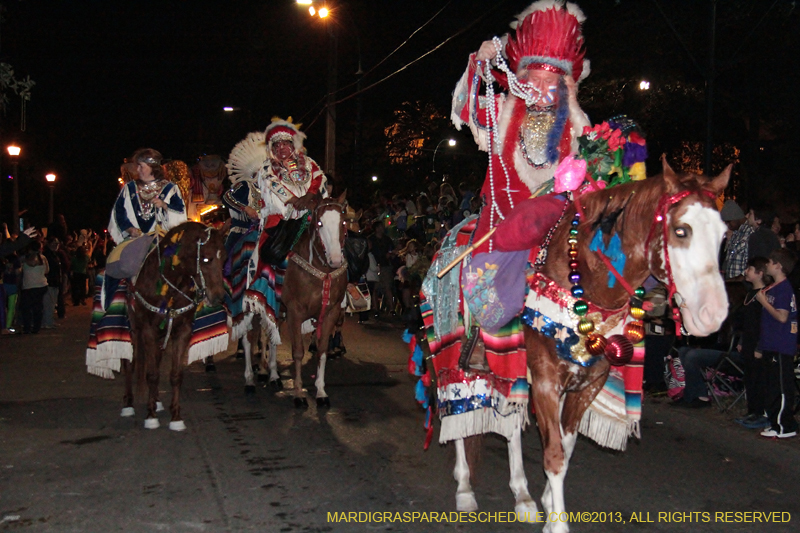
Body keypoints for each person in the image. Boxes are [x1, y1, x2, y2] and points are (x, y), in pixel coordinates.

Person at [450, 0, 591, 253]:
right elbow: (463, 109)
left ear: (565, 84)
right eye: (534, 79)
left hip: (556, 241)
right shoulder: (501, 110)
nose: (540, 87)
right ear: (521, 80)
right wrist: (477, 63)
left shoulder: (578, 128)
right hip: (499, 235)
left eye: (550, 80)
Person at [756, 249, 799, 439]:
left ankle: (785, 425)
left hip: (781, 345)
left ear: (779, 266)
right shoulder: (773, 287)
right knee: (772, 385)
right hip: (770, 343)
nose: (767, 265)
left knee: (781, 386)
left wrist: (764, 303)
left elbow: (782, 317)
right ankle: (775, 422)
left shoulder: (784, 289)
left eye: (771, 262)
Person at [257, 118, 328, 229]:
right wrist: (298, 202)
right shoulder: (267, 167)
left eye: (285, 144)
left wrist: (308, 197)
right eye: (277, 145)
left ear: (292, 145)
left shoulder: (308, 162)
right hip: (281, 216)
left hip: (310, 210)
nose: (281, 148)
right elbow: (273, 185)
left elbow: (319, 178)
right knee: (269, 242)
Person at [108, 149, 187, 245]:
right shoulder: (129, 188)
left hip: (161, 243)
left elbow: (181, 212)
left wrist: (164, 205)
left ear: (152, 167)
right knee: (117, 259)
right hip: (134, 242)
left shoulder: (170, 189)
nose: (137, 170)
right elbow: (118, 212)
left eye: (141, 166)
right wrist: (128, 229)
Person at [735, 257, 772, 429]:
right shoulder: (750, 294)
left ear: (760, 273)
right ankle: (752, 410)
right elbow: (746, 323)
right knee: (750, 377)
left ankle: (761, 413)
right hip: (748, 342)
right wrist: (742, 341)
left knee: (759, 378)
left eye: (750, 269)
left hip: (759, 344)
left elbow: (766, 324)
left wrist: (760, 346)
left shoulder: (766, 295)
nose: (746, 272)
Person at [223, 131, 266, 252]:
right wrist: (246, 208)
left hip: (262, 233)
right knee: (228, 260)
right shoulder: (245, 185)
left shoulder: (270, 191)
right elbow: (227, 197)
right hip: (241, 232)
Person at [19, 242, 49, 334]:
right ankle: (36, 327)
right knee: (38, 307)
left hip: (28, 286)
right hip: (41, 284)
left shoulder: (24, 259)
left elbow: (19, 270)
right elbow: (47, 270)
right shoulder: (43, 258)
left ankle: (27, 327)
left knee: (26, 308)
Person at [368, 223, 395, 316]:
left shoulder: (387, 239)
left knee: (387, 287)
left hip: (385, 265)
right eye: (380, 226)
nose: (382, 228)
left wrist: (390, 254)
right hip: (374, 265)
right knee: (374, 287)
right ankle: (375, 308)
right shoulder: (371, 239)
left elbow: (392, 250)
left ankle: (391, 308)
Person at [720, 199, 751, 280]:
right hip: (732, 283)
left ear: (736, 218)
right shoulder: (735, 233)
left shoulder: (749, 233)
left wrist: (738, 279)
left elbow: (751, 262)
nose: (728, 225)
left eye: (728, 222)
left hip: (742, 284)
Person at [42, 237, 63, 328]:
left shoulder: (55, 255)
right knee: (48, 303)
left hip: (55, 281)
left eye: (57, 244)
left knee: (52, 303)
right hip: (49, 282)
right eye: (54, 243)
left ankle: (49, 321)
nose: (56, 246)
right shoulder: (47, 255)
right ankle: (47, 322)